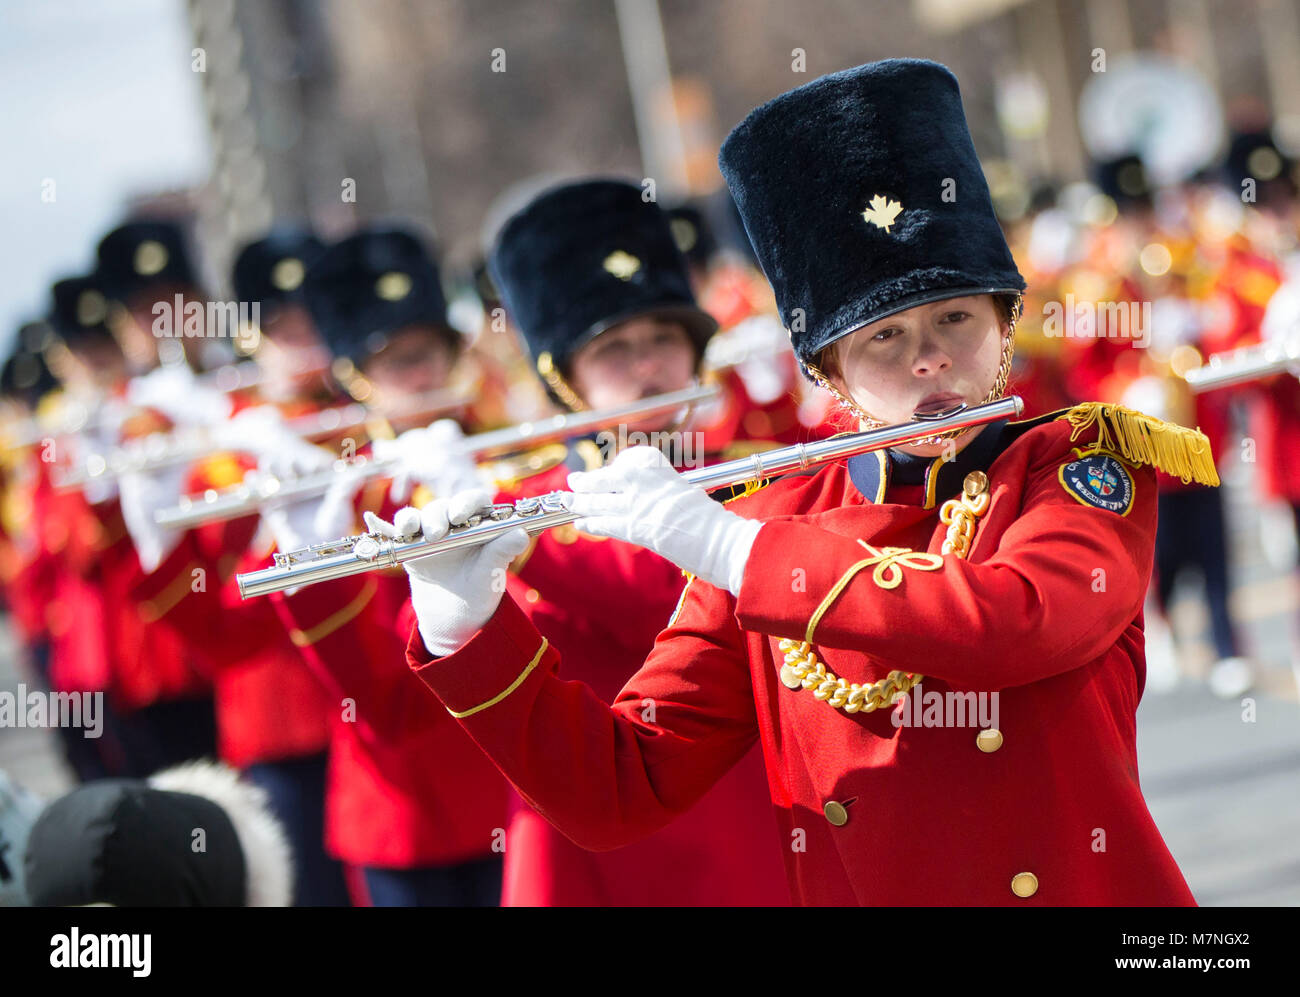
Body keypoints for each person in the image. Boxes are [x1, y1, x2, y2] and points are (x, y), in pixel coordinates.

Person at [386, 60, 1214, 905]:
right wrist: (468, 632)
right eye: (883, 337)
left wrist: (731, 551)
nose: (928, 356)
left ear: (1005, 326)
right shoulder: (777, 516)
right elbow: (622, 787)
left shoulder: (1079, 464)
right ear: (831, 373)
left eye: (956, 318)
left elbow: (1016, 621)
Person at [339, 178, 790, 905]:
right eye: (615, 350)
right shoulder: (515, 494)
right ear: (562, 375)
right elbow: (402, 692)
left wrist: (528, 536)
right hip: (582, 838)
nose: (647, 369)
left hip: (744, 820)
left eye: (663, 340)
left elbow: (657, 594)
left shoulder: (758, 467)